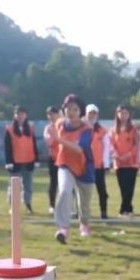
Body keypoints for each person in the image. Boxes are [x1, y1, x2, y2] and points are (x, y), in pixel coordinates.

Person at [48, 94, 95, 243]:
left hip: (84, 166)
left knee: (84, 202)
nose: (71, 112)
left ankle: (84, 224)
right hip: (65, 164)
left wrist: (59, 139)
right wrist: (52, 136)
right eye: (68, 109)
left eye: (75, 109)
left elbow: (79, 149)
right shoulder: (59, 124)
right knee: (64, 191)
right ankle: (63, 228)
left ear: (81, 111)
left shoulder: (87, 128)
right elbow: (51, 133)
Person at [4, 105, 39, 215]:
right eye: (18, 114)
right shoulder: (9, 129)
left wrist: (36, 159)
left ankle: (28, 205)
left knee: (28, 186)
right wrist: (8, 162)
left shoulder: (30, 128)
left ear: (26, 115)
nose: (20, 116)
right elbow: (7, 147)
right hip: (15, 162)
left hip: (29, 161)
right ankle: (13, 207)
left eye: (22, 114)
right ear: (15, 115)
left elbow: (34, 145)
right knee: (14, 186)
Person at [110, 105, 140, 218]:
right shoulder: (113, 130)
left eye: (126, 113)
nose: (123, 115)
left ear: (129, 115)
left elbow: (137, 145)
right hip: (119, 163)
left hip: (132, 163)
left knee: (130, 187)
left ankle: (125, 209)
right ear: (117, 114)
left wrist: (128, 155)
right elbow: (111, 145)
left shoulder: (134, 129)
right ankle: (126, 209)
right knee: (123, 187)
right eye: (121, 113)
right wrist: (116, 155)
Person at [85, 104, 112, 219]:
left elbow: (106, 148)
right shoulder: (81, 129)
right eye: (90, 113)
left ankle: (104, 212)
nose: (92, 116)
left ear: (97, 115)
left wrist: (106, 164)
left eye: (94, 113)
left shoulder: (102, 130)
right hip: (84, 166)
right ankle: (83, 214)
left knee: (102, 191)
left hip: (98, 166)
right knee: (84, 192)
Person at [43, 106, 61, 214]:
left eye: (53, 113)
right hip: (54, 158)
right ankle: (52, 205)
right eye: (49, 114)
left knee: (67, 183)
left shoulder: (64, 125)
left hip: (65, 158)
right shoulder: (48, 128)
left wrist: (57, 137)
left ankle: (68, 206)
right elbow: (49, 141)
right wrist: (57, 137)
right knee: (53, 182)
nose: (51, 116)